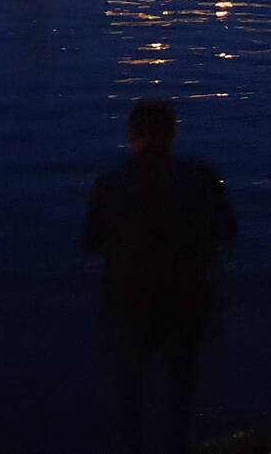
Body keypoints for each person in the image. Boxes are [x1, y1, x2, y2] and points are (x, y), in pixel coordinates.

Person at [85, 99, 238, 454]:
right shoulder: (201, 177)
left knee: (130, 391)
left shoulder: (111, 183)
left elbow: (91, 241)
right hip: (189, 299)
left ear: (132, 135)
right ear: (174, 133)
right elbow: (228, 230)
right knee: (181, 391)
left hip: (131, 301)